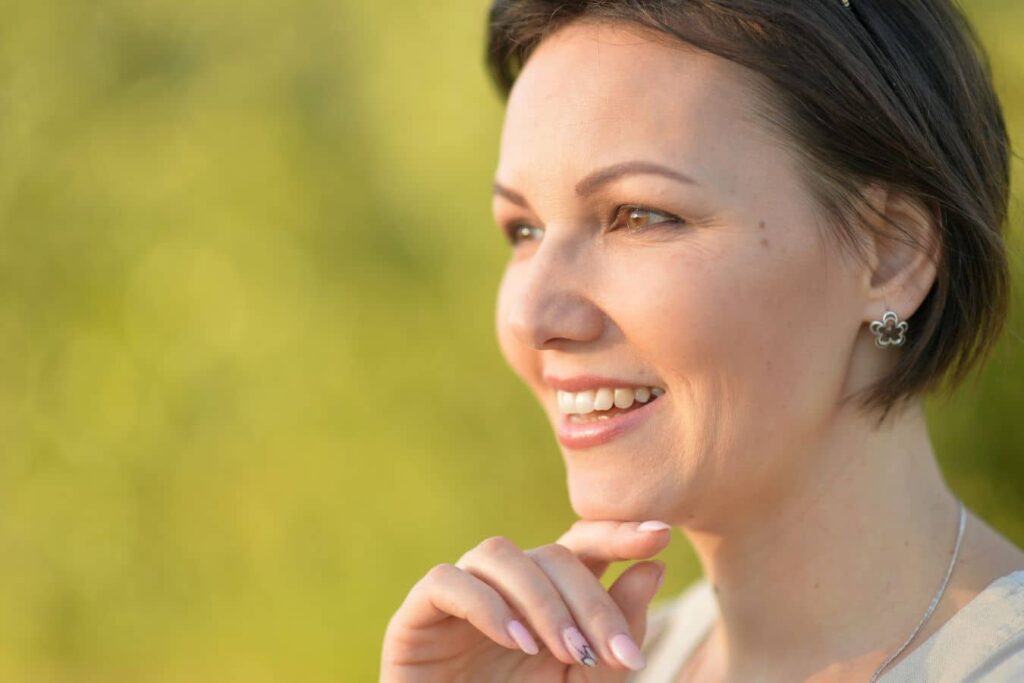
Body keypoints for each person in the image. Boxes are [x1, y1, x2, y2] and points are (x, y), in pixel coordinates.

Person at [380, 0, 1024, 681]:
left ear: (890, 254)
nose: (530, 316)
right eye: (525, 229)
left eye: (639, 216)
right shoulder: (602, 665)